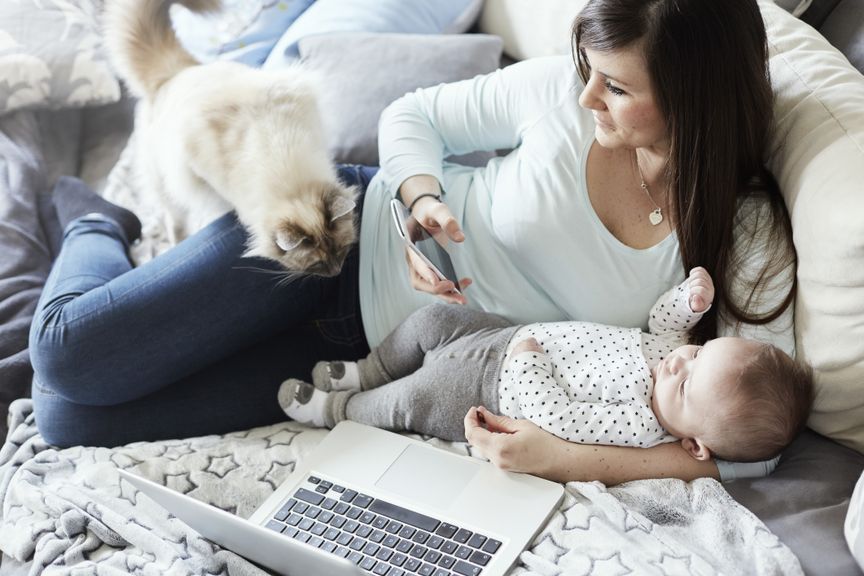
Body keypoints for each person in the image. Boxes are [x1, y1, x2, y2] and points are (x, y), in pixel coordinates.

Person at [29, 0, 794, 485]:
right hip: (334, 246)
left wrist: (568, 459)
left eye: (618, 89)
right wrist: (419, 198)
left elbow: (748, 438)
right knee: (67, 355)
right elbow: (413, 117)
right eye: (589, 73)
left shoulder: (740, 235)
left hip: (361, 367)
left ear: (693, 99)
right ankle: (96, 219)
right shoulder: (561, 99)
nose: (588, 94)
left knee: (70, 420)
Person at [279, 267, 813, 463]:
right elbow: (664, 329)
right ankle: (365, 370)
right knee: (430, 323)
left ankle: (339, 407)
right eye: (699, 352)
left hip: (491, 386)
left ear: (693, 444)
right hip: (508, 333)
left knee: (410, 400)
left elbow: (560, 419)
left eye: (687, 383)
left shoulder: (640, 424)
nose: (678, 363)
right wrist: (687, 304)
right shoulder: (668, 358)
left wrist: (529, 366)